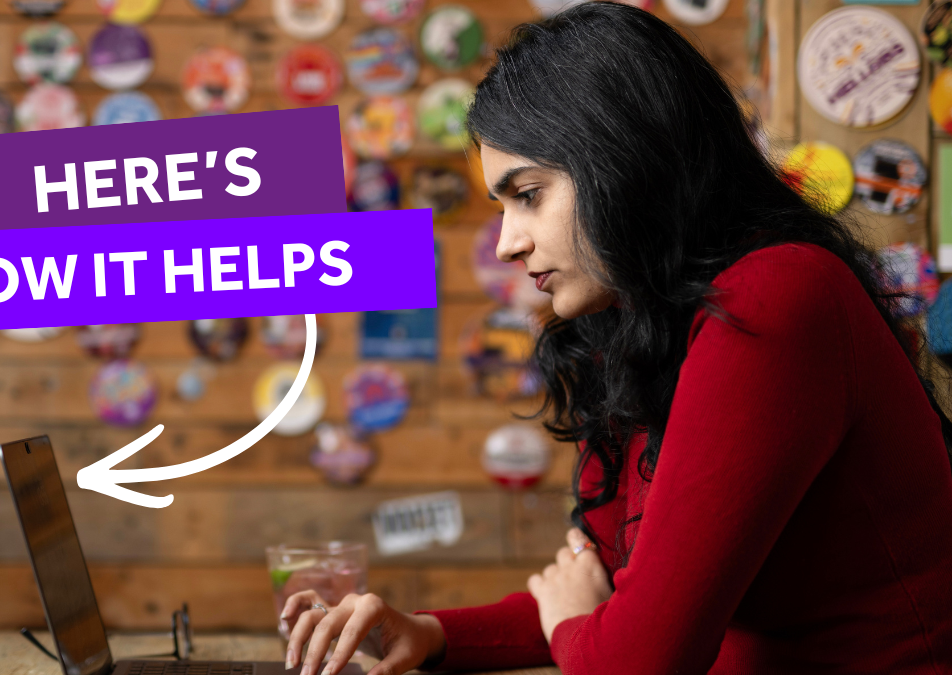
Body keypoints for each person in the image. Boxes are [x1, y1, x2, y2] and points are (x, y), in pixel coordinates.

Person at [279, 3, 952, 673]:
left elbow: (630, 657)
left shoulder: (776, 297)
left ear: (625, 160)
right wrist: (429, 632)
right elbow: (606, 593)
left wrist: (571, 622)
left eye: (529, 194)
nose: (508, 243)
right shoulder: (635, 328)